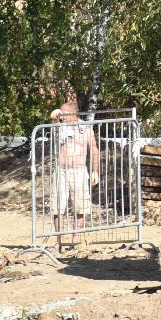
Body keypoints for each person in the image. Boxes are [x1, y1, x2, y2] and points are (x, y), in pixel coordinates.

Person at [50, 103, 100, 252]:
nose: (62, 117)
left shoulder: (85, 128)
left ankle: (76, 238)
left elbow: (94, 149)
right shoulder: (60, 127)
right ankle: (59, 240)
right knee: (57, 206)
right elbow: (54, 120)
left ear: (73, 114)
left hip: (79, 171)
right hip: (61, 171)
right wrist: (55, 116)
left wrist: (95, 171)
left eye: (65, 114)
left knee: (80, 206)